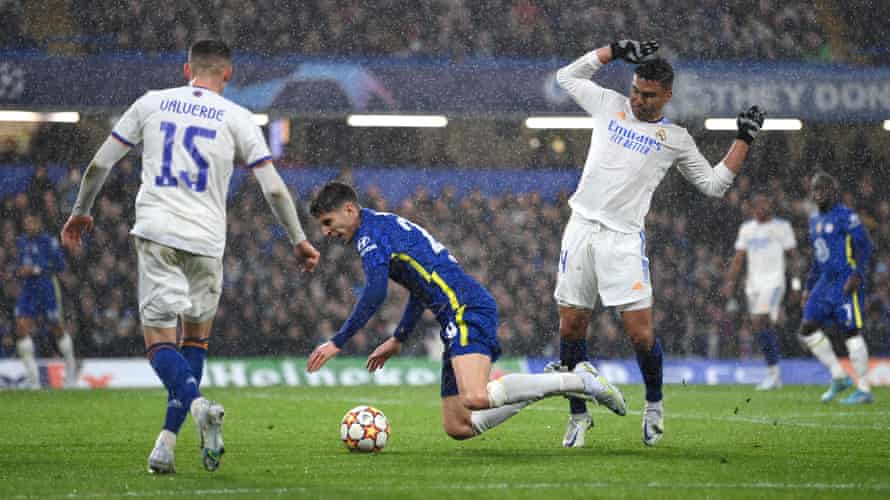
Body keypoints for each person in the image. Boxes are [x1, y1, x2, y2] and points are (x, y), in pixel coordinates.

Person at [60, 40, 320, 474]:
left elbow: (98, 166)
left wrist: (81, 211)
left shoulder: (152, 103)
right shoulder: (238, 117)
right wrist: (298, 238)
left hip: (158, 235)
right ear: (228, 75)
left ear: (186, 69)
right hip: (206, 242)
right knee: (195, 342)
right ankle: (165, 444)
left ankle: (196, 407)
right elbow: (273, 187)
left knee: (160, 346)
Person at [552, 39, 765, 447]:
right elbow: (567, 76)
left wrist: (744, 139)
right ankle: (577, 416)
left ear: (667, 95)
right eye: (635, 90)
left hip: (624, 240)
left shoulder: (675, 138)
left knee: (640, 335)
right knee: (572, 325)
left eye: (648, 95)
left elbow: (715, 185)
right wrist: (612, 50)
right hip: (580, 228)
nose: (638, 99)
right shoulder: (609, 104)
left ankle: (653, 406)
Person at [306, 181, 626, 442]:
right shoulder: (383, 226)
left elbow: (375, 292)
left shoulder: (370, 237)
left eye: (328, 223)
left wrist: (338, 340)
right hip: (454, 312)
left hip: (464, 306)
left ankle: (579, 381)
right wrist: (400, 338)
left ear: (349, 210)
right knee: (458, 426)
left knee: (475, 398)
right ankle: (555, 380)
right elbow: (420, 290)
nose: (326, 233)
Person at [798, 171, 874, 404]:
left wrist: (857, 274)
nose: (817, 193)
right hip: (824, 282)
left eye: (822, 188)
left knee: (850, 332)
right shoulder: (814, 220)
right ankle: (839, 376)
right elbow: (817, 257)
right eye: (815, 189)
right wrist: (808, 287)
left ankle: (864, 389)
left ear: (832, 190)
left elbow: (866, 245)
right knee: (807, 328)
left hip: (845, 279)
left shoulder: (845, 216)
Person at [723, 192, 798, 390]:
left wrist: (797, 285)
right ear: (752, 208)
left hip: (774, 282)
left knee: (760, 320)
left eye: (764, 204)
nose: (761, 209)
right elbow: (738, 259)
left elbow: (794, 258)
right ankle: (774, 372)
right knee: (761, 326)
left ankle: (774, 373)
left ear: (770, 206)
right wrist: (730, 282)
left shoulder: (782, 227)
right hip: (753, 285)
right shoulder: (747, 230)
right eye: (757, 205)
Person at [14, 213, 77, 389]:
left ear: (38, 223)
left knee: (57, 329)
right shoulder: (22, 242)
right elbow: (19, 264)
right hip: (28, 291)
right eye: (26, 222)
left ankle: (71, 372)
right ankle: (33, 379)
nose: (29, 225)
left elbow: (60, 266)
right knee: (21, 328)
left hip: (46, 288)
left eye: (31, 222)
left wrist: (35, 269)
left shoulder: (49, 241)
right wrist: (20, 271)